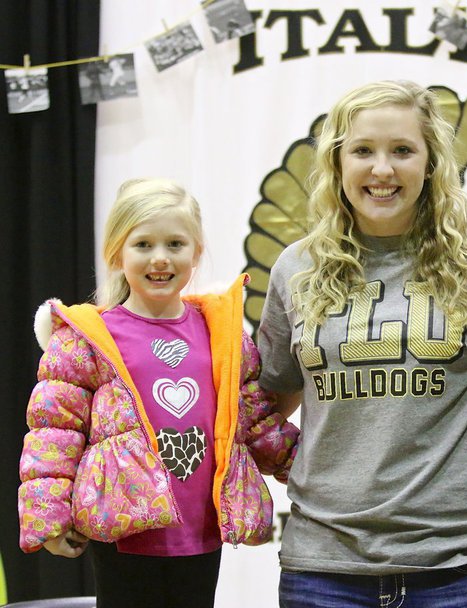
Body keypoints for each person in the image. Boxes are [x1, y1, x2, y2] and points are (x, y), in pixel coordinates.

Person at [257, 80, 467, 607]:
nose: (381, 170)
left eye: (402, 151)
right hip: (324, 569)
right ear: (338, 163)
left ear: (431, 163)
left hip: (461, 567)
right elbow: (268, 399)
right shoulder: (296, 268)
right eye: (363, 150)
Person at [18, 178, 300, 608]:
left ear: (196, 252)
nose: (160, 258)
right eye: (144, 244)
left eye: (175, 243)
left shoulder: (221, 335)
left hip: (201, 528)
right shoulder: (88, 338)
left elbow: (252, 419)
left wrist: (308, 467)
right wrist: (47, 516)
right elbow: (54, 430)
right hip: (122, 531)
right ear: (117, 252)